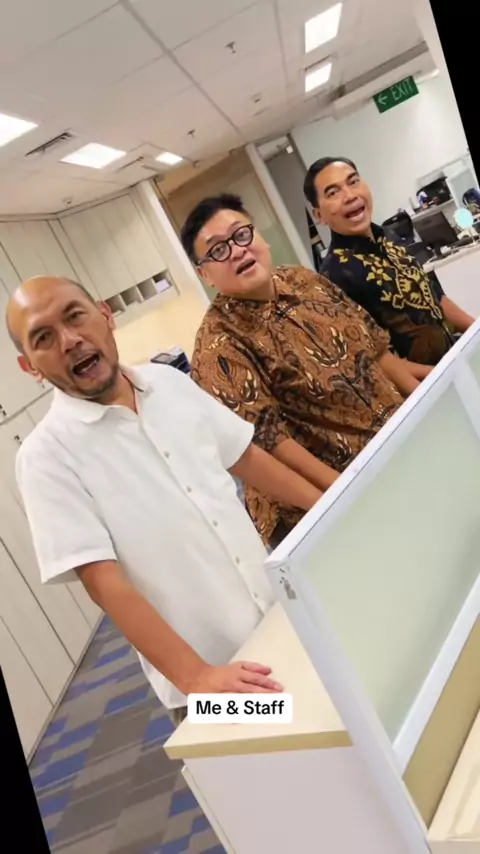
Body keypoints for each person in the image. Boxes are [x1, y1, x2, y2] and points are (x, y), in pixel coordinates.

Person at [7, 276, 324, 724]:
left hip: (279, 620)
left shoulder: (168, 383)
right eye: (43, 338)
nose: (69, 340)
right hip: (210, 677)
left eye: (74, 316)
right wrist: (196, 679)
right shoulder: (46, 457)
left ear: (104, 314)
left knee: (332, 731)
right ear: (31, 367)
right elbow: (103, 583)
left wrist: (329, 511)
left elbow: (246, 457)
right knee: (277, 748)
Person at [182, 193, 426, 548]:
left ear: (259, 235)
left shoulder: (304, 280)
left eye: (241, 234)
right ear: (205, 274)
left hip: (398, 455)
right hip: (326, 511)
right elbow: (270, 446)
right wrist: (352, 496)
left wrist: (431, 414)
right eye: (218, 249)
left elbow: (376, 353)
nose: (236, 251)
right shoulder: (218, 347)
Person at [303, 157, 474, 365]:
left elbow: (435, 297)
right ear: (319, 215)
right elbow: (377, 361)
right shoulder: (333, 277)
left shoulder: (388, 236)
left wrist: (474, 331)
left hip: (457, 356)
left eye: (353, 182)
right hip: (428, 379)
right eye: (333, 193)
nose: (349, 195)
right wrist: (444, 377)